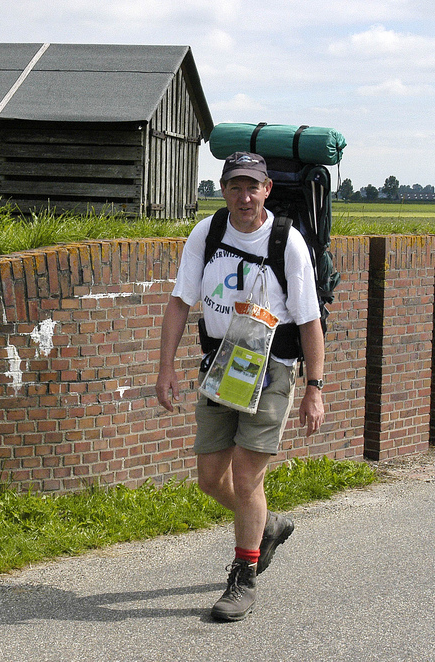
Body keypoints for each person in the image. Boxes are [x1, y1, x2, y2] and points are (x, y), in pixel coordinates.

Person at [155, 151, 325, 622]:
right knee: (211, 479)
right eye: (235, 187)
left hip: (271, 368)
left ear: (267, 189)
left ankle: (243, 578)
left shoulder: (287, 242)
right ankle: (265, 525)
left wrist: (315, 387)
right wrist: (165, 367)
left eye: (253, 187)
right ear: (223, 190)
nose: (244, 197)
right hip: (219, 368)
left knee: (248, 478)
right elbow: (179, 302)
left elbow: (310, 320)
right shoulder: (206, 233)